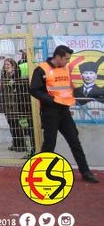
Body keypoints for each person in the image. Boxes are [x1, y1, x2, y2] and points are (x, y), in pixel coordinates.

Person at [30, 45, 98, 183]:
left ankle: (85, 172)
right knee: (49, 143)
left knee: (74, 141)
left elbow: (67, 88)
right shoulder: (41, 69)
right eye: (66, 59)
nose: (68, 61)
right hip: (50, 111)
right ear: (58, 57)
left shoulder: (65, 68)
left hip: (64, 111)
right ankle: (42, 173)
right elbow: (34, 90)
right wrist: (52, 100)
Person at [0, 58, 31, 153]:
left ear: (13, 65)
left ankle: (22, 145)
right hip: (6, 103)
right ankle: (15, 143)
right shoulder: (4, 75)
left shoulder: (16, 75)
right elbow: (5, 89)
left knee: (18, 125)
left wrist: (12, 80)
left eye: (8, 64)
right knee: (12, 125)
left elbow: (18, 87)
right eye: (5, 65)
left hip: (16, 103)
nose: (6, 66)